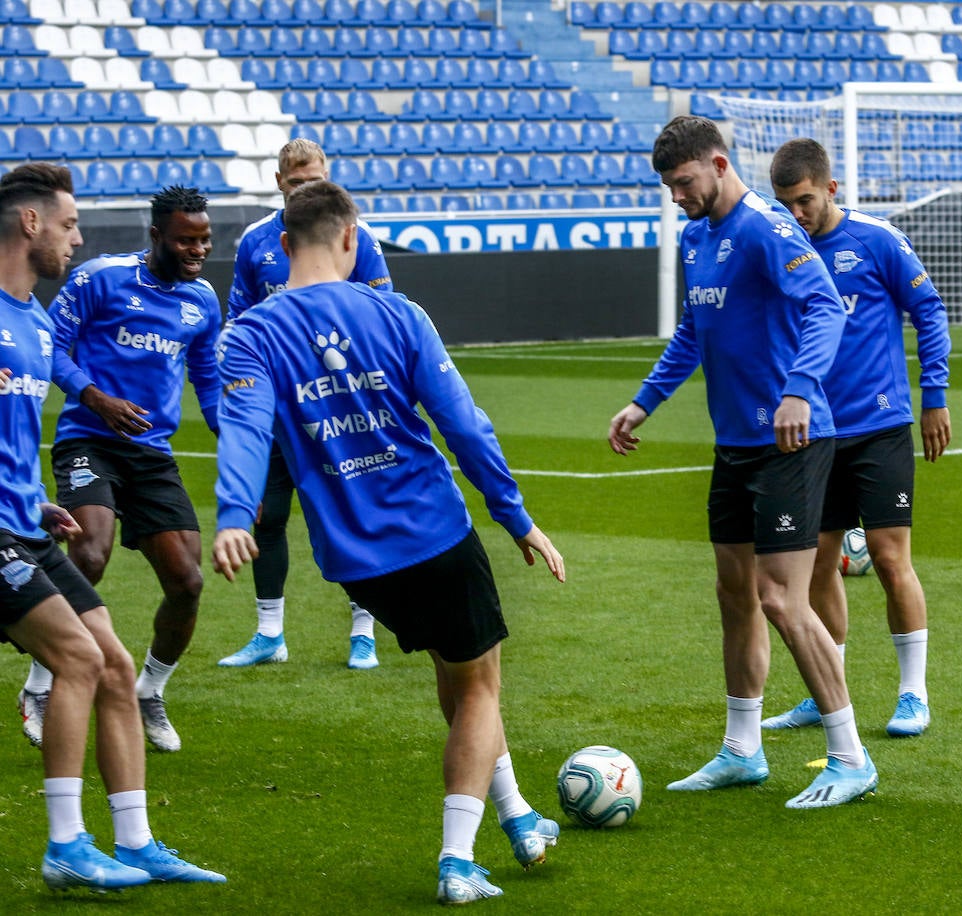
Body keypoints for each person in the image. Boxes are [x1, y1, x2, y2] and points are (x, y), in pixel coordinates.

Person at [210, 180, 565, 904]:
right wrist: (514, 514)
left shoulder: (249, 334)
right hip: (432, 531)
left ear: (282, 247)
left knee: (458, 673)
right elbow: (463, 425)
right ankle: (459, 860)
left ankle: (519, 814)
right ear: (352, 239)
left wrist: (234, 515)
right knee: (479, 687)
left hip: (353, 561)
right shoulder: (399, 314)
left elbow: (245, 432)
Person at [608, 116, 877, 809]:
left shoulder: (767, 229)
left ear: (719, 165)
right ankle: (741, 749)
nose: (677, 197)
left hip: (792, 439)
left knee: (781, 599)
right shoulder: (698, 239)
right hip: (735, 445)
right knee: (735, 599)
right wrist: (644, 404)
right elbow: (693, 333)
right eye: (669, 187)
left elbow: (825, 307)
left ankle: (850, 757)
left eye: (684, 182)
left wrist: (799, 390)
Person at [0, 163, 224, 890]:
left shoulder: (32, 322)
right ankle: (66, 844)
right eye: (68, 224)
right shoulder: (63, 300)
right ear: (31, 223)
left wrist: (32, 501)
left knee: (118, 667)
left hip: (28, 519)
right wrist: (94, 401)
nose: (78, 238)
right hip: (28, 505)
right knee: (79, 659)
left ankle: (136, 842)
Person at [761, 138, 951, 738]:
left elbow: (930, 311)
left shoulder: (875, 239)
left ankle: (913, 694)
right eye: (785, 203)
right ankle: (828, 692)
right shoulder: (780, 249)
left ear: (831, 189)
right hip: (816, 433)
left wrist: (934, 397)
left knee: (893, 560)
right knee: (818, 566)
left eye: (806, 201)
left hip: (880, 427)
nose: (797, 214)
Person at [218, 138, 394, 671]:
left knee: (351, 512)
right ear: (279, 183)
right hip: (276, 407)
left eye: (314, 181)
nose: (305, 190)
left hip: (336, 406)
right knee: (269, 519)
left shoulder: (354, 237)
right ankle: (270, 633)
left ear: (328, 176)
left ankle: (364, 631)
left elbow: (383, 313)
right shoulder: (257, 241)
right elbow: (238, 320)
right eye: (296, 183)